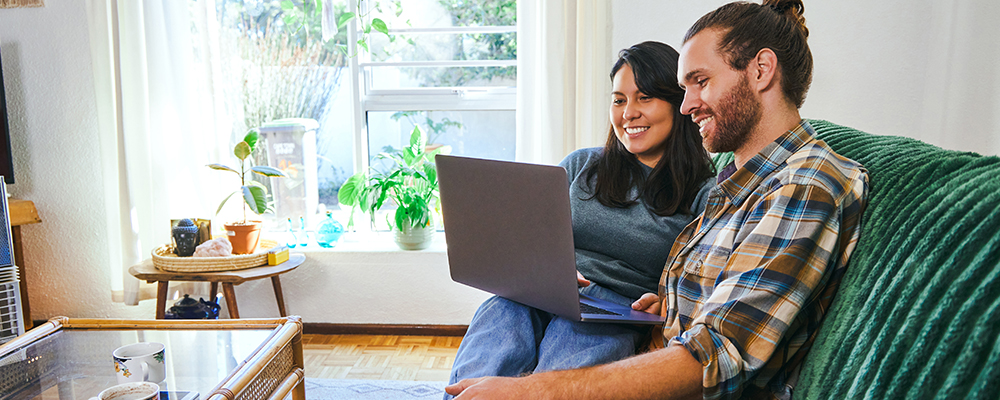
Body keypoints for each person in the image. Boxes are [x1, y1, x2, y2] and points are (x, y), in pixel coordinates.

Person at [445, 1, 870, 399]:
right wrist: (668, 303)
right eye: (684, 88)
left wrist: (531, 391)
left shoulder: (805, 185)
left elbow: (718, 355)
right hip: (642, 337)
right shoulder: (741, 183)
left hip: (657, 367)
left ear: (761, 70)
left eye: (700, 82)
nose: (686, 106)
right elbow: (720, 301)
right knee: (501, 316)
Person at [445, 41, 716, 398]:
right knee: (492, 339)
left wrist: (665, 300)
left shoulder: (704, 192)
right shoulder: (582, 165)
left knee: (555, 380)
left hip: (614, 307)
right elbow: (529, 236)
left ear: (677, 103)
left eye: (644, 98)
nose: (628, 113)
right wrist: (538, 270)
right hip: (537, 293)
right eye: (619, 100)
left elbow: (702, 279)